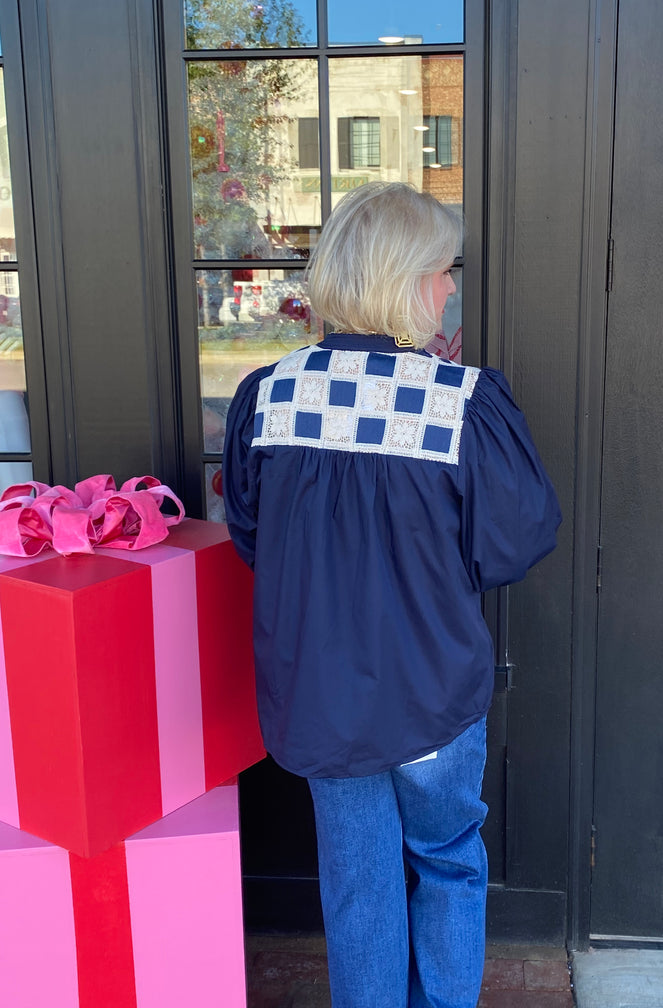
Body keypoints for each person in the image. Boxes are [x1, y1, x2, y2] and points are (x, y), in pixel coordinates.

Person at [223, 181, 561, 1008]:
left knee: (356, 878)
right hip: (430, 691)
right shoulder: (461, 403)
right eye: (445, 269)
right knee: (447, 855)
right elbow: (511, 546)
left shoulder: (268, 396)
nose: (451, 287)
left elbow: (252, 536)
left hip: (320, 696)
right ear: (407, 277)